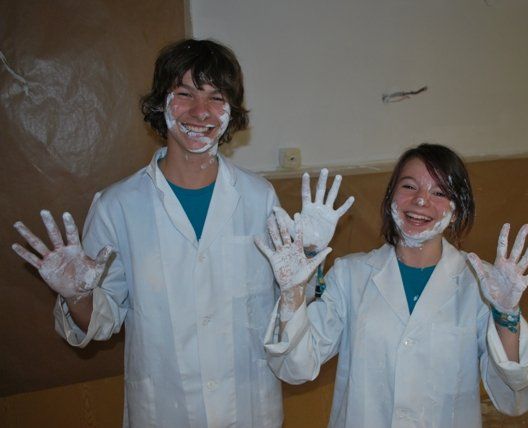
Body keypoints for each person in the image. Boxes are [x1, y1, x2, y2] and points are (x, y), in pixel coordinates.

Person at [11, 39, 352, 427]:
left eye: (216, 98)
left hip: (248, 406)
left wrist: (306, 263)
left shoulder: (259, 197)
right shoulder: (117, 206)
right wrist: (77, 296)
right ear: (162, 103)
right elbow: (101, 322)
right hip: (164, 409)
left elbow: (285, 303)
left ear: (231, 112)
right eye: (185, 94)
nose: (200, 111)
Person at [255, 143, 528, 428]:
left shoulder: (482, 284)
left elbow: (517, 394)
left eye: (439, 192)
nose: (421, 200)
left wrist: (505, 316)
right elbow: (295, 366)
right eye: (409, 186)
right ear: (390, 198)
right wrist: (293, 291)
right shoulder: (350, 275)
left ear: (456, 210)